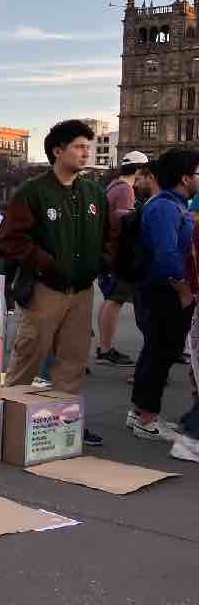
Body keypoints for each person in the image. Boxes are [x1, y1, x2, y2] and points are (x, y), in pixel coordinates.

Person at [0, 119, 113, 447]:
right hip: (45, 288)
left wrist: (101, 262)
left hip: (81, 291)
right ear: (57, 151)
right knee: (29, 354)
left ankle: (65, 421)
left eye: (87, 147)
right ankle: (6, 419)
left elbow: (111, 234)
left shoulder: (93, 192)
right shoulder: (33, 192)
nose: (85, 152)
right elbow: (9, 240)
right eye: (78, 146)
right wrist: (47, 264)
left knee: (73, 362)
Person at [130, 148, 199, 441]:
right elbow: (167, 254)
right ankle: (146, 419)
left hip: (163, 290)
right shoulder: (166, 207)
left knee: (157, 352)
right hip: (163, 292)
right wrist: (184, 290)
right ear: (185, 178)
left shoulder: (174, 204)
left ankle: (141, 413)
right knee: (161, 352)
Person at [93, 152, 149, 368]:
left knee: (111, 298)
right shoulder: (126, 189)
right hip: (117, 253)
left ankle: (103, 346)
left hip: (108, 251)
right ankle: (106, 348)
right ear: (138, 169)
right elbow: (124, 218)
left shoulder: (114, 186)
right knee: (115, 299)